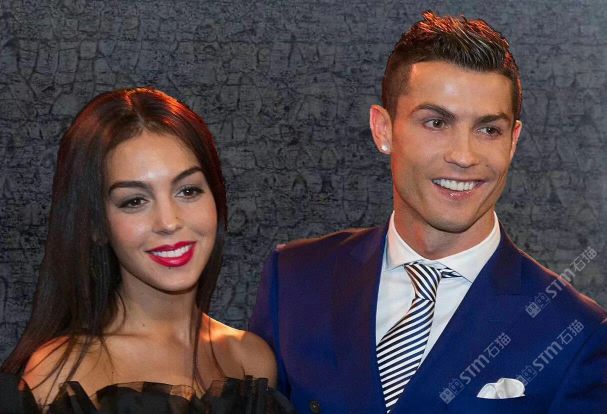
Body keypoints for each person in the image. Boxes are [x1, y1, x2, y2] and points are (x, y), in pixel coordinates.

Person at [250, 11, 607, 414]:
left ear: (512, 142)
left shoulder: (575, 332)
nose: (463, 156)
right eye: (436, 122)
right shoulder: (295, 279)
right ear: (383, 129)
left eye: (488, 129)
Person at [0, 87, 294, 413]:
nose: (168, 222)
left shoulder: (252, 359)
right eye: (135, 201)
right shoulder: (59, 372)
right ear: (96, 225)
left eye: (188, 191)